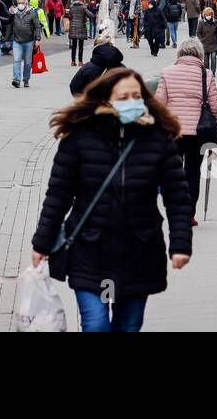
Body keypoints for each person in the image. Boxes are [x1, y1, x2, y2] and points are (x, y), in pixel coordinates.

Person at [30, 67, 192, 332]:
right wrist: (42, 243)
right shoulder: (80, 137)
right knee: (96, 325)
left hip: (140, 250)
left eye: (136, 96)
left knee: (128, 327)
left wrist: (181, 244)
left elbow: (178, 197)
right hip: (90, 250)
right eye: (123, 97)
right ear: (106, 99)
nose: (132, 103)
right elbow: (58, 195)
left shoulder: (157, 138)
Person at [155, 37, 217, 225]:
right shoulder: (206, 74)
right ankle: (189, 213)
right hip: (198, 133)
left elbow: (159, 103)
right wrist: (214, 126)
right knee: (193, 171)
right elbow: (215, 105)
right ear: (199, 54)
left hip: (173, 131)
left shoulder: (167, 72)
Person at [69, 26, 124, 96]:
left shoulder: (87, 68)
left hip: (93, 104)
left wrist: (85, 101)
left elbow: (74, 87)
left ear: (95, 49)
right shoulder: (122, 69)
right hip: (114, 105)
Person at [8, 0, 40, 89]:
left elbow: (37, 27)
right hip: (17, 41)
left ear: (26, 4)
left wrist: (37, 39)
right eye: (19, 3)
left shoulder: (32, 13)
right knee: (16, 60)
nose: (20, 5)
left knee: (28, 62)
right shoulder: (14, 13)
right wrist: (7, 39)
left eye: (22, 3)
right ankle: (16, 80)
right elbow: (10, 25)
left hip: (28, 41)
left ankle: (26, 79)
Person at [67, 0, 93, 66]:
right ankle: (80, 61)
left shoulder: (71, 7)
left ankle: (73, 61)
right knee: (81, 46)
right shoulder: (83, 7)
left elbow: (69, 17)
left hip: (73, 28)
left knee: (74, 45)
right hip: (81, 28)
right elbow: (90, 15)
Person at [197, 7, 217, 73]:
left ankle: (213, 72)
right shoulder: (201, 22)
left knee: (213, 58)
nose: (208, 16)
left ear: (212, 15)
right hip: (204, 43)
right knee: (206, 59)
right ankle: (207, 72)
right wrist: (201, 39)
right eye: (207, 15)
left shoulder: (215, 22)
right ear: (204, 15)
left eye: (209, 15)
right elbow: (198, 32)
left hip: (213, 43)